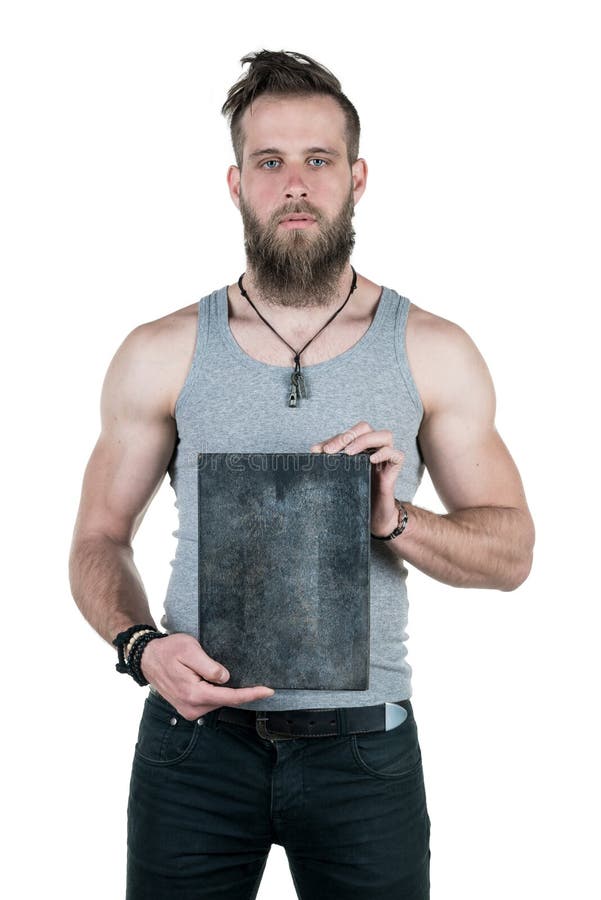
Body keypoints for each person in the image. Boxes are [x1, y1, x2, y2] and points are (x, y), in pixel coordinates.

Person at [69, 49, 535, 900]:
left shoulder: (432, 349)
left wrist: (395, 520)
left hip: (363, 753)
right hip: (194, 749)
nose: (294, 183)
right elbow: (98, 539)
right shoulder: (160, 351)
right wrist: (140, 648)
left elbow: (510, 554)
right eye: (269, 161)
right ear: (236, 182)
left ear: (356, 178)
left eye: (316, 160)